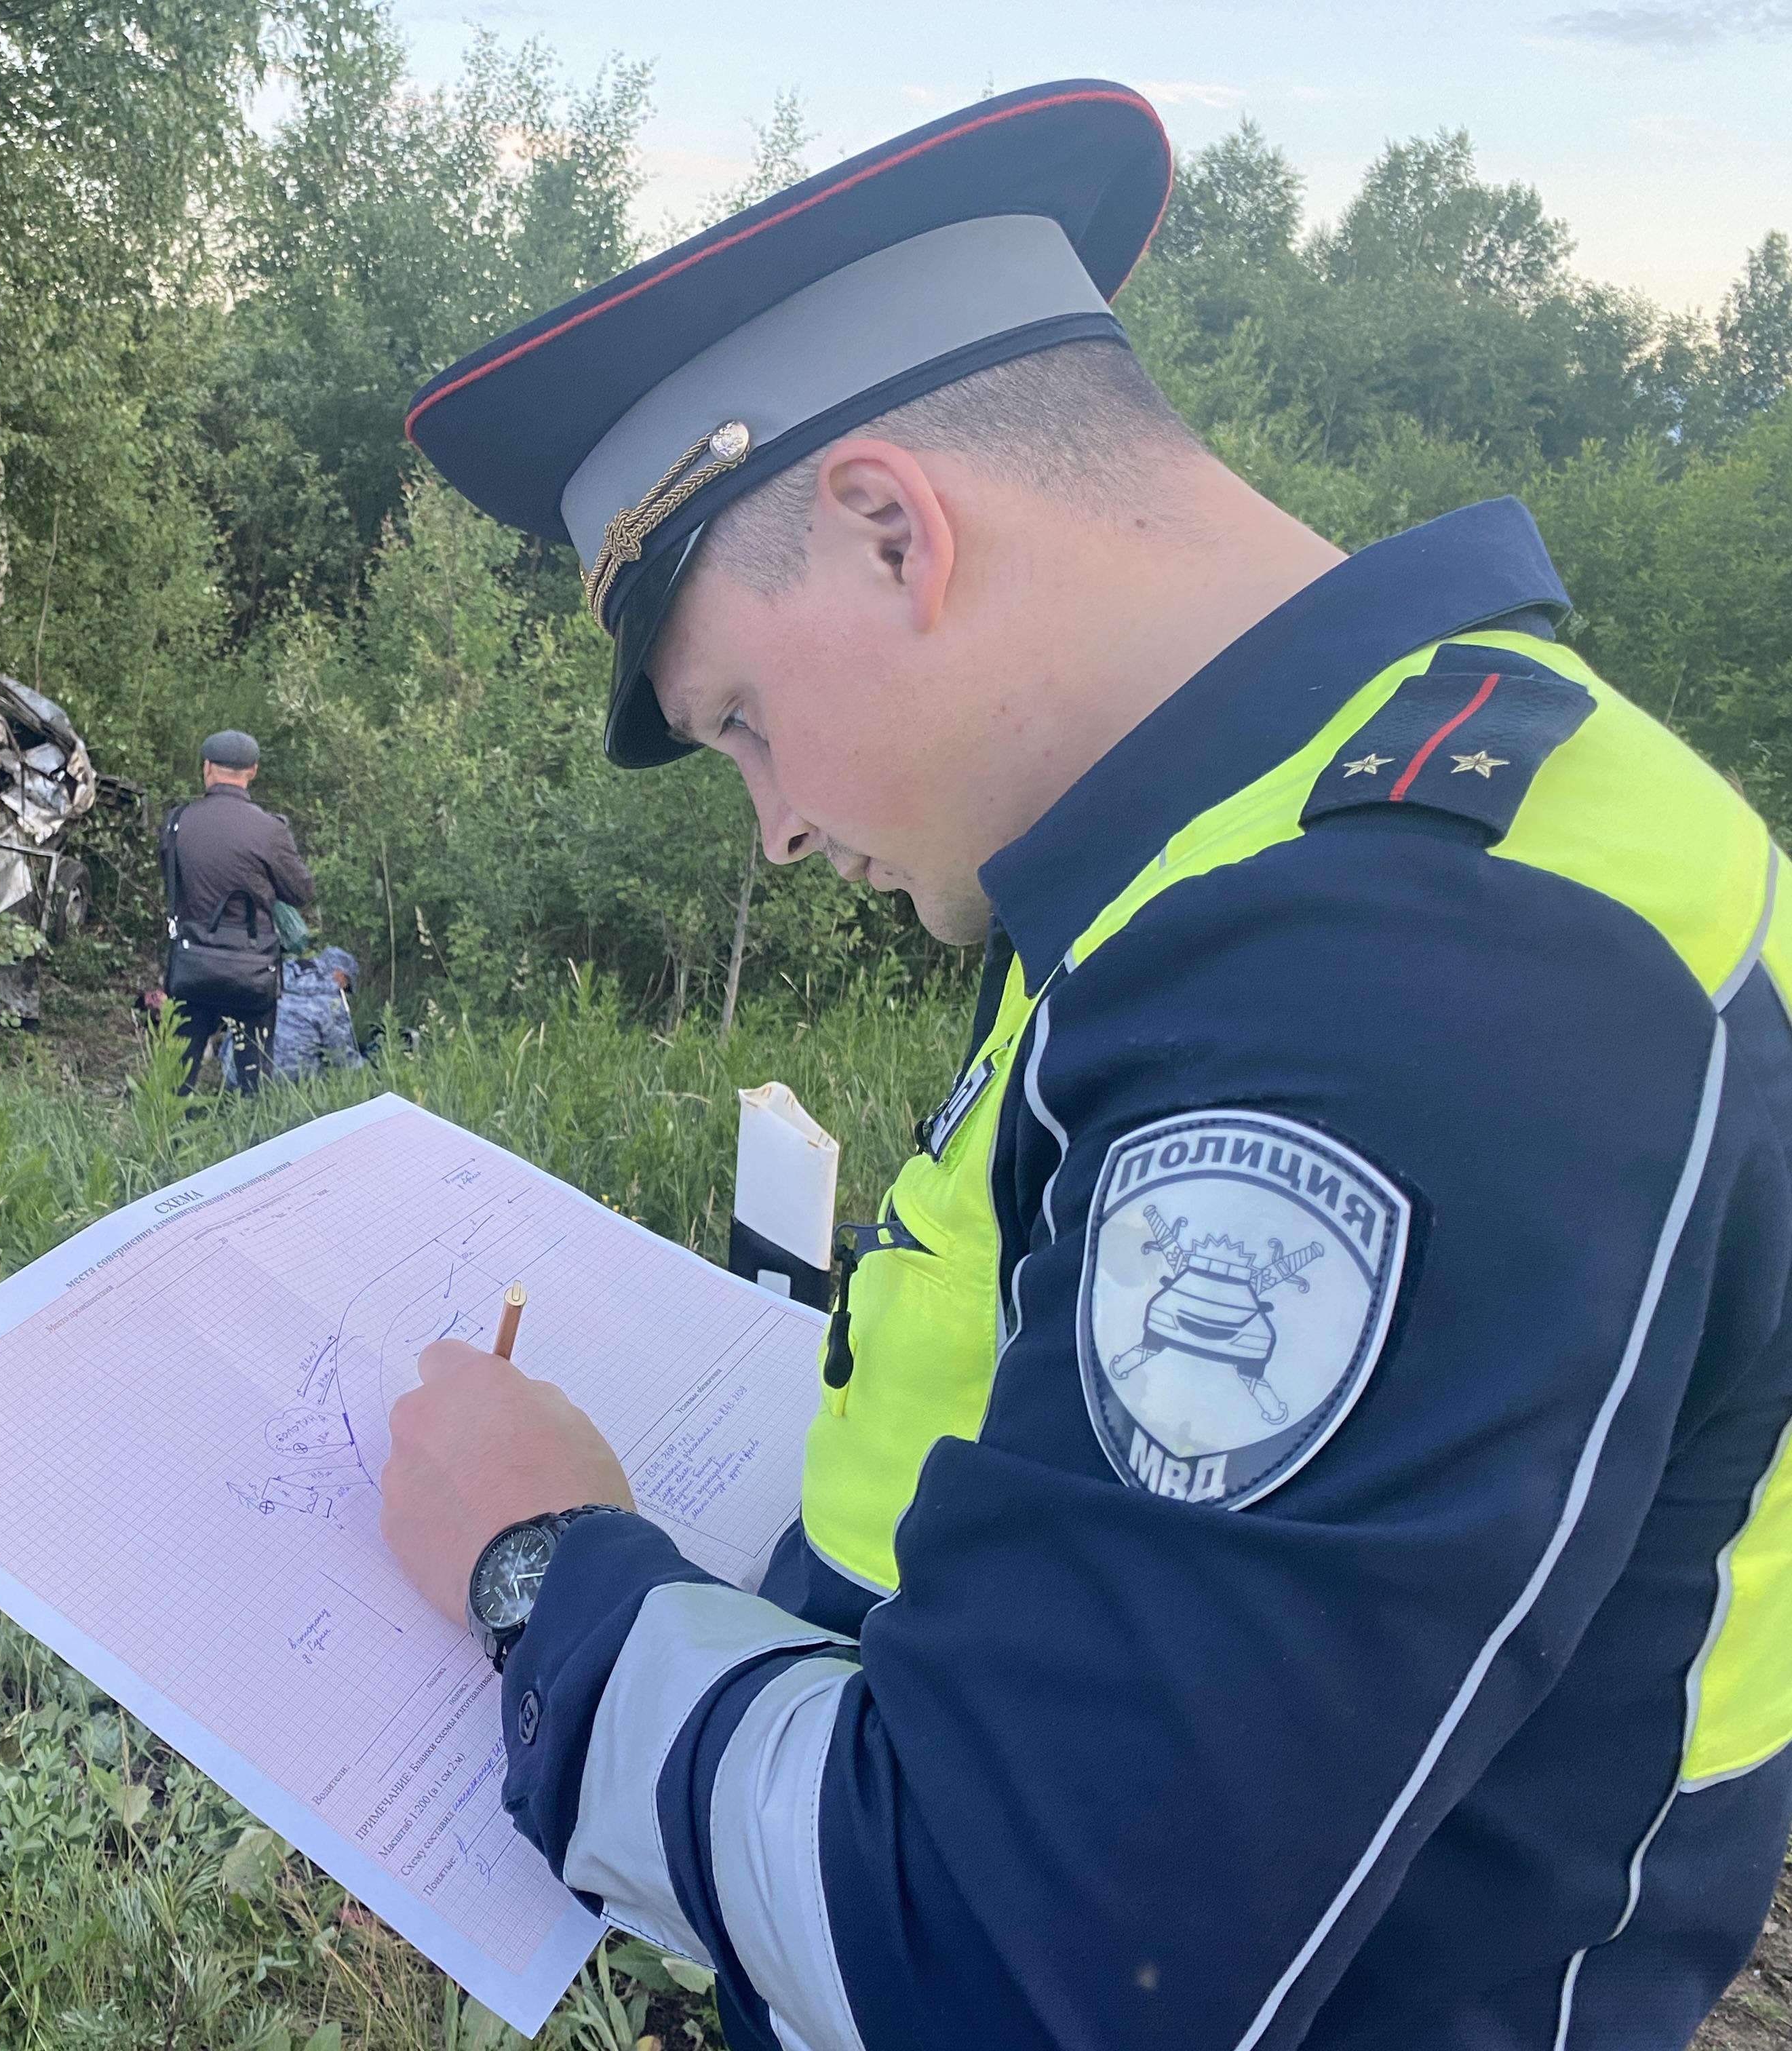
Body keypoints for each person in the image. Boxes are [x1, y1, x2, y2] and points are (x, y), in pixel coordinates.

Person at [371, 79, 1792, 2051]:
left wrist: (544, 1572)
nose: (772, 828)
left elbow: (1006, 1968)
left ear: (890, 530)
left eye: (742, 722)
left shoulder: (1404, 978)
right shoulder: (1244, 859)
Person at [161, 730, 313, 1095]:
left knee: (177, 1072)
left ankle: (165, 1138)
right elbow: (301, 892)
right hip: (253, 969)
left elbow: (173, 887)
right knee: (254, 1072)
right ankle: (254, 1138)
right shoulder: (270, 830)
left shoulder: (178, 822)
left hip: (192, 964)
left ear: (207, 768)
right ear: (253, 771)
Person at [228, 945, 364, 1087]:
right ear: (340, 975)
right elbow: (341, 1055)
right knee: (329, 1075)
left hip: (237, 1072)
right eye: (346, 985)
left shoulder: (273, 974)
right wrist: (366, 1067)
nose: (343, 990)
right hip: (285, 1080)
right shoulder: (331, 1002)